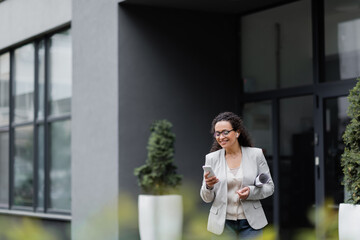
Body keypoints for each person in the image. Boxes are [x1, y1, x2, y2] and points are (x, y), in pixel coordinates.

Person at [200, 112, 274, 240]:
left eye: (225, 132)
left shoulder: (255, 155)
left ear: (237, 132)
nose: (221, 137)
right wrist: (208, 186)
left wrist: (250, 192)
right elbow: (206, 198)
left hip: (251, 223)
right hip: (222, 224)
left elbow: (270, 187)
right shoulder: (211, 158)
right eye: (217, 133)